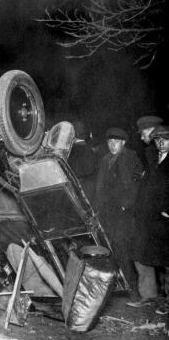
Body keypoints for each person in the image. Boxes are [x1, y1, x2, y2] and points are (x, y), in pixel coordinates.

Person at [93, 128, 143, 290]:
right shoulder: (105, 159)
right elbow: (99, 187)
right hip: (108, 212)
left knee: (123, 246)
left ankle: (133, 285)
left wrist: (125, 205)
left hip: (125, 213)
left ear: (124, 142)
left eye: (116, 142)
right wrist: (97, 208)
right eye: (110, 142)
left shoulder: (131, 156)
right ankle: (121, 284)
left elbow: (136, 185)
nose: (112, 145)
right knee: (111, 247)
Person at [129, 125, 169, 314]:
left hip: (164, 218)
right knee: (144, 255)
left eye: (165, 140)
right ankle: (151, 296)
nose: (161, 143)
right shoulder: (156, 160)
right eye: (158, 140)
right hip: (150, 218)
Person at [68, 121, 98, 201]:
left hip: (75, 185)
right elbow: (90, 169)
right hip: (84, 186)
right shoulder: (88, 149)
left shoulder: (69, 149)